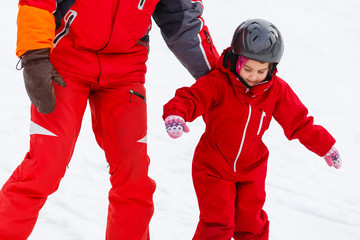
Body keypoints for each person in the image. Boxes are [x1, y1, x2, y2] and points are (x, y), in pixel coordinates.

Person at [0, 0, 219, 239]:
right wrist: (35, 56)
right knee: (45, 166)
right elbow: (37, 3)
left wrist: (218, 86)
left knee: (134, 179)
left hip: (125, 73)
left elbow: (183, 20)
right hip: (65, 65)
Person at [162, 18, 342, 240]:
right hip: (214, 166)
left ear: (272, 68)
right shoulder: (219, 82)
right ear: (237, 59)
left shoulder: (276, 90)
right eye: (247, 68)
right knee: (219, 224)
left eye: (261, 71)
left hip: (252, 168)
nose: (253, 77)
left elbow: (300, 121)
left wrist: (325, 146)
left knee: (251, 225)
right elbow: (191, 98)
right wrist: (176, 113)